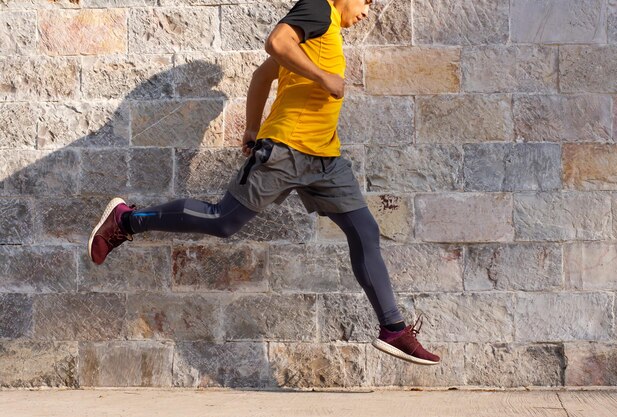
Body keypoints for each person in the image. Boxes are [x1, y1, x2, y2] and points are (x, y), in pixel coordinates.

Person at [88, 0, 440, 366]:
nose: (368, 11)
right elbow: (275, 44)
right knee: (222, 220)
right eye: (367, 0)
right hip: (287, 150)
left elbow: (262, 75)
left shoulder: (325, 31)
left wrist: (252, 127)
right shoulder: (318, 9)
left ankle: (393, 329)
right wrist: (324, 78)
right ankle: (126, 220)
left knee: (365, 230)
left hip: (325, 158)